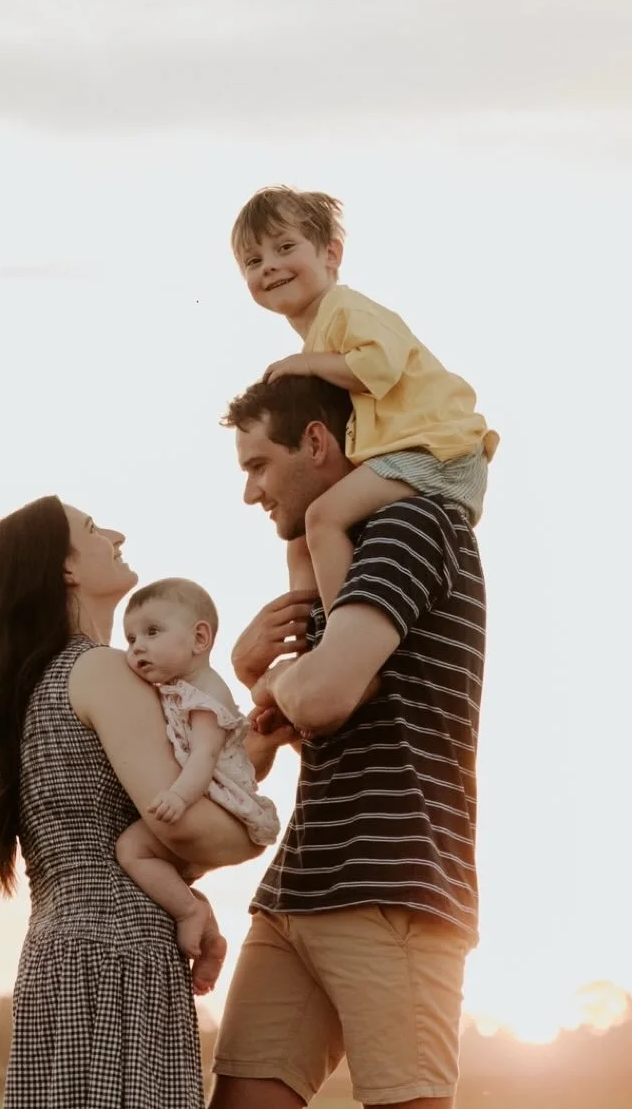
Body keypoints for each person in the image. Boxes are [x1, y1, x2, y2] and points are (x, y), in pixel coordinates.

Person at [209, 374, 488, 1109]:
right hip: (300, 886)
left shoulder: (411, 526)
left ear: (315, 442)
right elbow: (333, 726)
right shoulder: (343, 558)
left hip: (391, 887)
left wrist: (266, 683)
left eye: (258, 465)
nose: (251, 492)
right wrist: (262, 681)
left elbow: (326, 697)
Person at [0, 496, 263, 1109]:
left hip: (58, 954)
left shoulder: (35, 684)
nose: (115, 534)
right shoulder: (100, 670)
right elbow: (185, 829)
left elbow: (164, 802)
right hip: (121, 953)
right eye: (92, 529)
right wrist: (255, 833)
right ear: (65, 568)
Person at [231, 184, 498, 614]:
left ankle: (341, 632)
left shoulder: (346, 309)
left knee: (323, 519)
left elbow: (380, 367)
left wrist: (310, 363)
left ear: (331, 254)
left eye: (285, 247)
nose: (270, 266)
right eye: (253, 260)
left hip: (434, 449)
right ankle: (306, 629)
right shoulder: (320, 337)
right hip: (407, 451)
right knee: (302, 536)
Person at [115, 577, 280, 960]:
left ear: (199, 639)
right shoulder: (180, 687)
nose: (137, 646)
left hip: (216, 803)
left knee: (131, 850)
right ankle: (205, 930)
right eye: (131, 639)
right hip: (209, 799)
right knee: (168, 874)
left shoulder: (205, 696)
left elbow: (204, 757)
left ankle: (189, 911)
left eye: (152, 632)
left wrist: (178, 796)